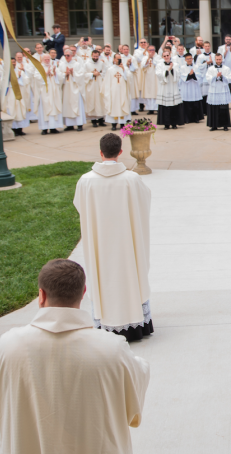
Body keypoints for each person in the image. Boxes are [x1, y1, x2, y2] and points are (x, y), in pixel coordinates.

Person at [0, 259, 150, 454]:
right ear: (83, 293)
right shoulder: (111, 349)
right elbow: (134, 393)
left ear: (41, 295)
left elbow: (1, 397)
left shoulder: (8, 346)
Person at [74, 133, 153, 341]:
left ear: (100, 153)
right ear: (120, 152)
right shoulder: (131, 179)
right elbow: (145, 202)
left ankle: (106, 322)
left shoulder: (86, 181)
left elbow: (79, 206)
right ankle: (136, 324)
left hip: (100, 242)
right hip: (127, 242)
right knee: (130, 272)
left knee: (104, 276)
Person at [156, 47, 183, 130]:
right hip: (164, 87)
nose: (166, 57)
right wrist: (168, 70)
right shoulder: (159, 65)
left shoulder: (175, 64)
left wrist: (172, 70)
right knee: (165, 106)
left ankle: (174, 123)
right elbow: (159, 75)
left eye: (168, 55)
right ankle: (166, 124)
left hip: (173, 87)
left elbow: (178, 75)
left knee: (174, 106)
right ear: (162, 57)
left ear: (170, 55)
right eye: (165, 56)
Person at [204, 53, 231, 132]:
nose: (218, 61)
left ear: (222, 59)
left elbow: (229, 78)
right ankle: (214, 125)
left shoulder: (226, 68)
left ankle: (225, 125)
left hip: (223, 90)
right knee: (214, 109)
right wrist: (216, 77)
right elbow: (208, 78)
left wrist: (222, 77)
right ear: (214, 59)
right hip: (214, 91)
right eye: (217, 59)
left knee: (223, 108)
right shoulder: (211, 69)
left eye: (220, 59)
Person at [105, 54, 132, 131]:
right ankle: (114, 124)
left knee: (122, 105)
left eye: (120, 59)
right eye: (117, 59)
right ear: (114, 59)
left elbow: (129, 77)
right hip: (113, 92)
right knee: (114, 106)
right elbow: (107, 82)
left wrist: (123, 69)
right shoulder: (110, 69)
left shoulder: (124, 68)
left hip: (122, 91)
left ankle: (122, 124)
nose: (118, 60)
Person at [177, 52, 204, 124]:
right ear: (185, 60)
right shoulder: (182, 67)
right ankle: (187, 119)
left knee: (195, 103)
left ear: (192, 59)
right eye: (187, 59)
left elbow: (199, 75)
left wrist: (193, 74)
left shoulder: (196, 66)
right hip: (186, 88)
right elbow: (182, 76)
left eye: (190, 58)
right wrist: (189, 75)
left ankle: (196, 118)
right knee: (187, 104)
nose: (189, 60)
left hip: (194, 87)